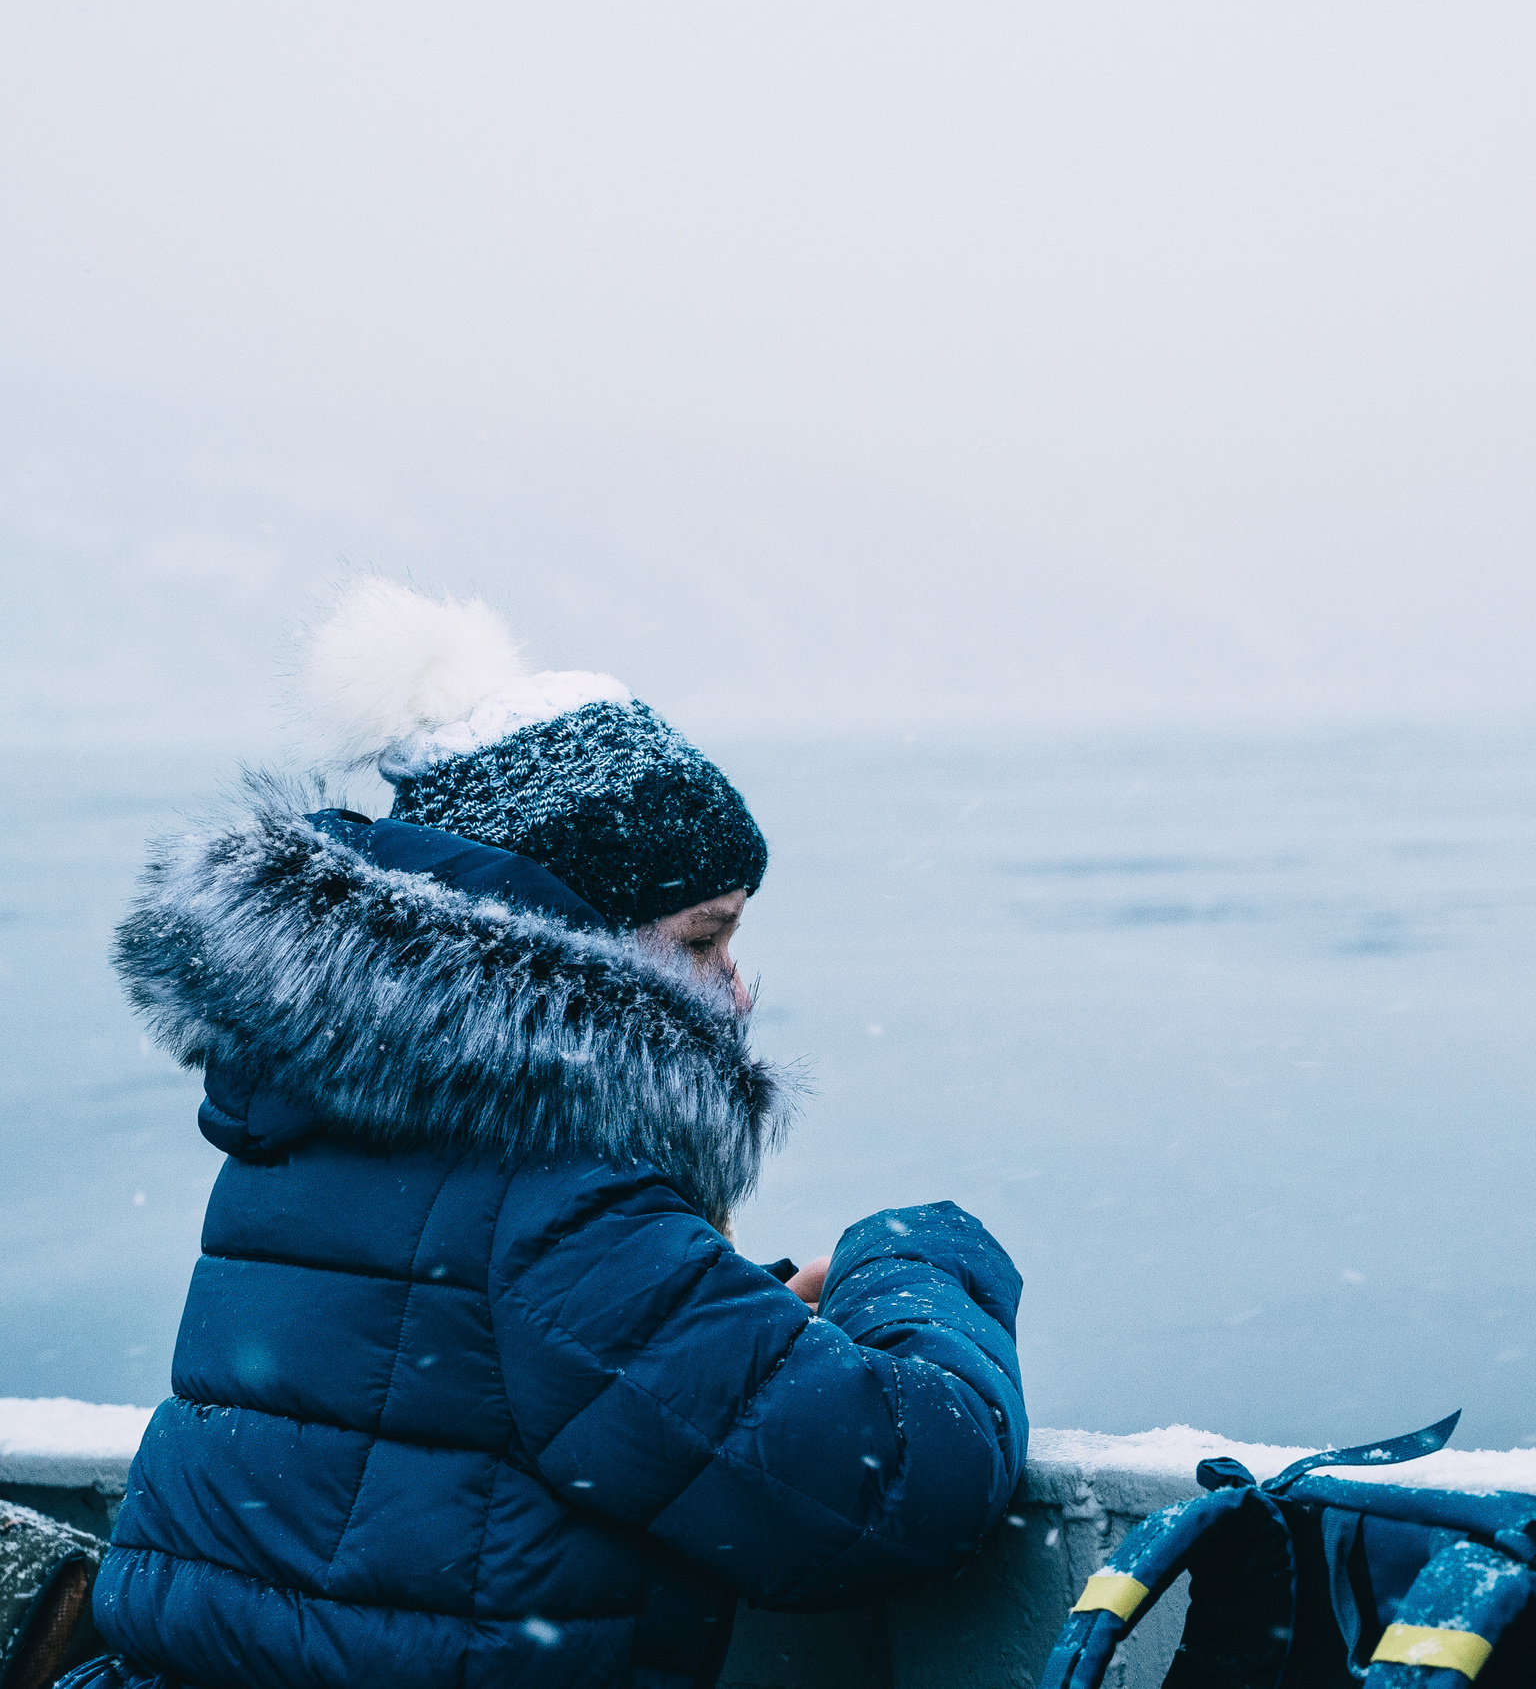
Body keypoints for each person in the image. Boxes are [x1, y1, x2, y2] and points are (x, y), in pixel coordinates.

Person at [81, 582, 1026, 1689]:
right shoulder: (554, 1197)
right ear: (576, 950)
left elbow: (458, 1355)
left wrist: (735, 1307)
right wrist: (916, 1260)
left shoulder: (338, 1119)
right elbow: (899, 1484)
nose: (735, 990)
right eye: (704, 939)